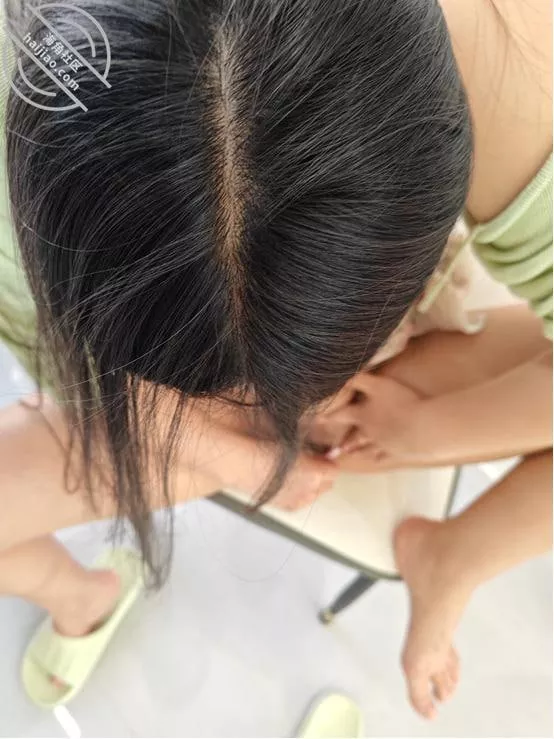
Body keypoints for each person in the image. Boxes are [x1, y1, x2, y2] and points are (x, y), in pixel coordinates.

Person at [0, 0, 551, 720]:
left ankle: (451, 557)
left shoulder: (523, 86)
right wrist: (229, 453)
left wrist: (426, 428)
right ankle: (80, 595)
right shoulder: (52, 61)